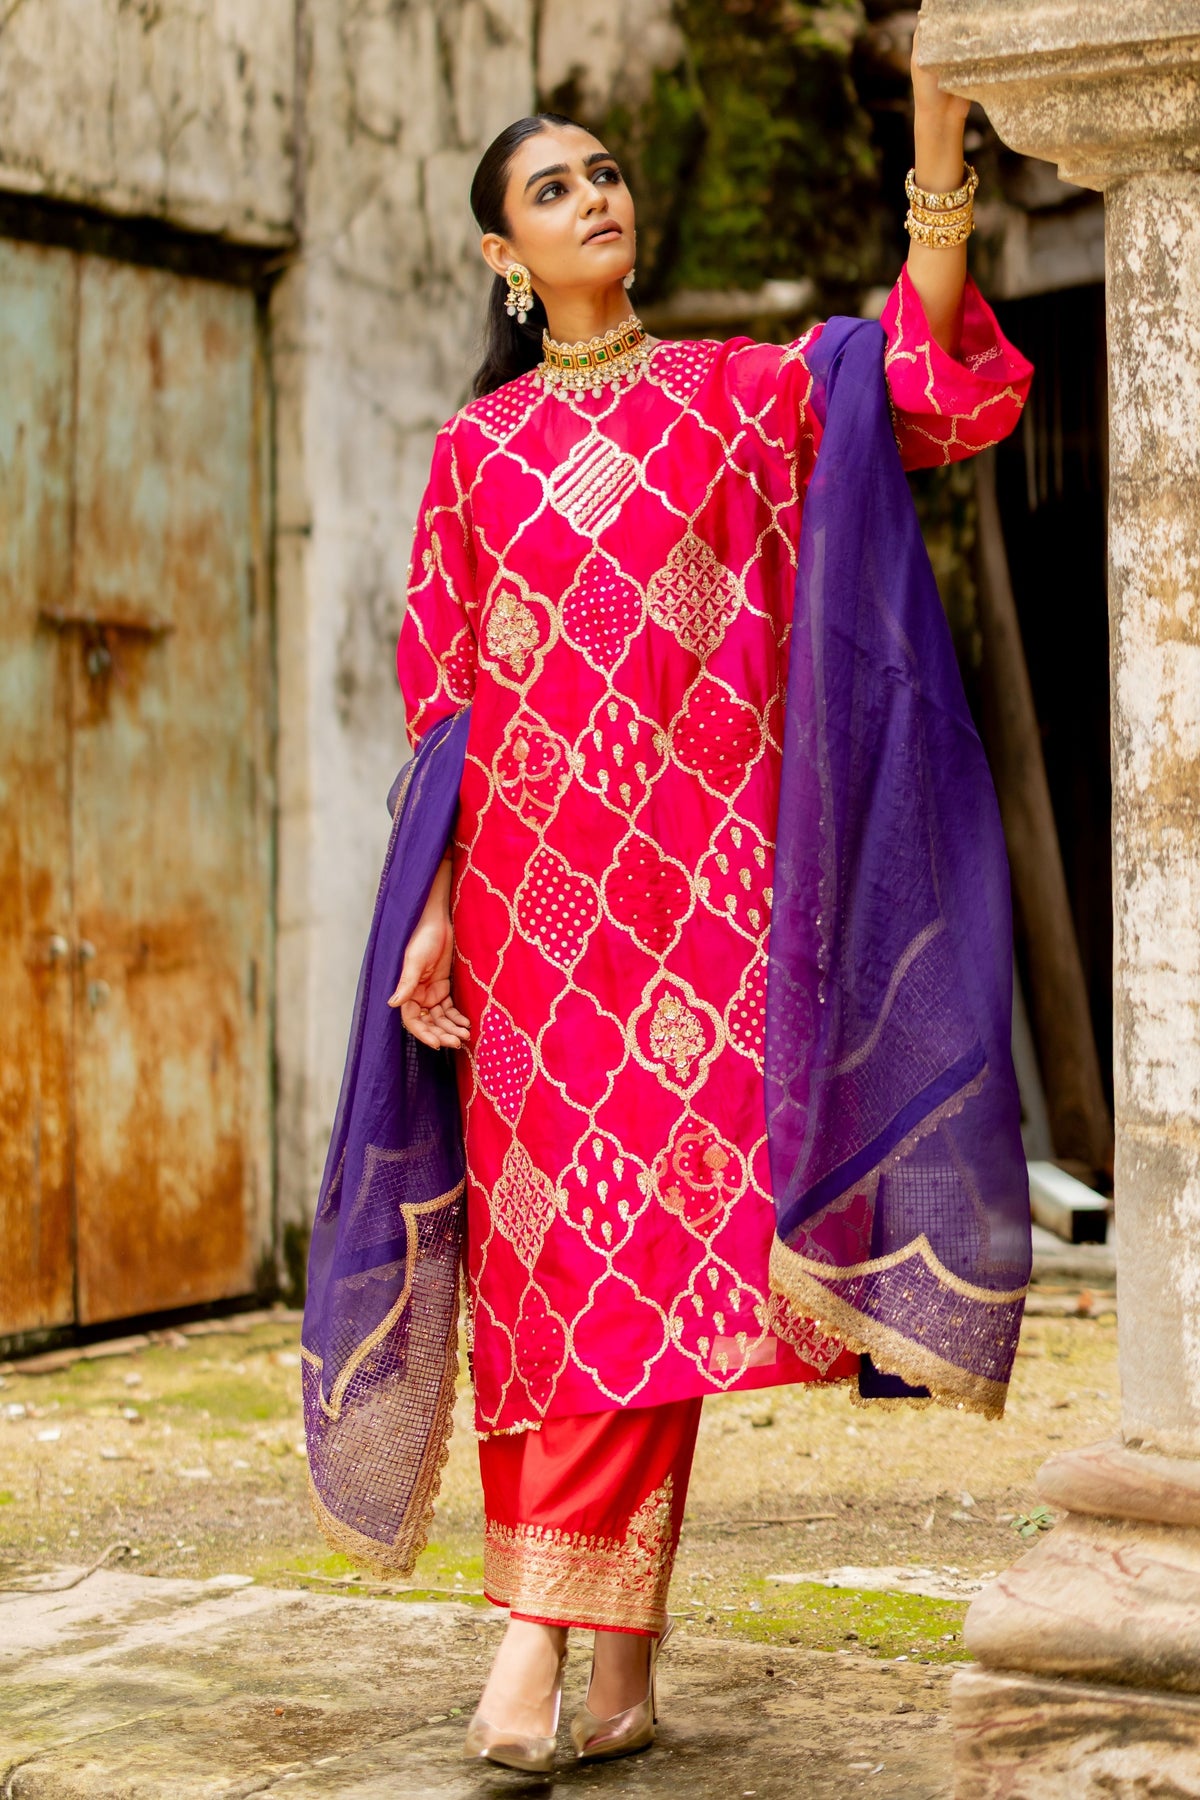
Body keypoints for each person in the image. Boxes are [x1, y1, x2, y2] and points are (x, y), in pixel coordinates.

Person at [387, 33, 1032, 1776]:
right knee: (552, 1281)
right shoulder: (476, 456)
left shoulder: (740, 395)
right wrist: (435, 906)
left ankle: (535, 1643)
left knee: (652, 1259)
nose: (593, 196)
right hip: (535, 921)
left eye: (600, 171)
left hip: (707, 910)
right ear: (502, 260)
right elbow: (444, 703)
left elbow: (924, 384)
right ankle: (621, 1672)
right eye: (551, 187)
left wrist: (933, 145)